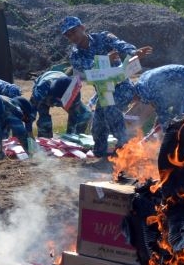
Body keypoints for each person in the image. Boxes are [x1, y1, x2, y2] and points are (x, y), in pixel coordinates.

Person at [60, 15, 152, 158]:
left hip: (122, 87)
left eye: (74, 31)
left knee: (111, 108)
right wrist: (104, 60)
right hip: (103, 91)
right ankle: (100, 154)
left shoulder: (102, 38)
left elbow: (120, 44)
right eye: (68, 35)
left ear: (82, 28)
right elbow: (87, 68)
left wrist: (134, 52)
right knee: (97, 126)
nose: (72, 36)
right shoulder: (75, 55)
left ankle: (124, 146)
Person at [113, 64, 184, 128]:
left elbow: (163, 114)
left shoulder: (147, 92)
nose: (130, 104)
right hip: (181, 87)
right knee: (177, 120)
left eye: (128, 102)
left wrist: (157, 134)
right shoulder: (142, 83)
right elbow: (162, 111)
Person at [29, 69, 92, 139]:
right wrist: (29, 136)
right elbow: (29, 115)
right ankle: (45, 140)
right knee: (44, 119)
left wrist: (77, 137)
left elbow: (85, 114)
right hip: (45, 94)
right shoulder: (40, 92)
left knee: (76, 114)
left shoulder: (73, 92)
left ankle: (71, 138)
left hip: (60, 83)